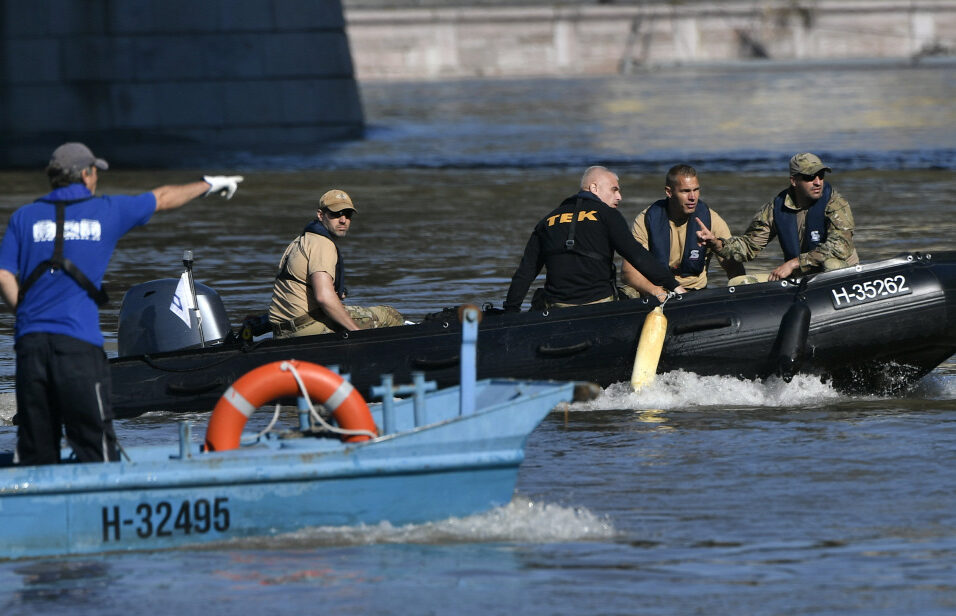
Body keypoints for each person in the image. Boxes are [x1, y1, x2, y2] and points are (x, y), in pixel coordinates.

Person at [0, 142, 243, 465]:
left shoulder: (24, 217)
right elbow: (163, 198)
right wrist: (209, 184)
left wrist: (25, 317)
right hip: (78, 347)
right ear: (85, 175)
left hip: (31, 345)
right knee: (93, 440)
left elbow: (3, 275)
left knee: (35, 442)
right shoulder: (106, 211)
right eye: (95, 171)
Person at [504, 166, 683, 312]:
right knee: (636, 290)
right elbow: (637, 256)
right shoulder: (607, 215)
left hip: (557, 307)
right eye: (614, 190)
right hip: (601, 305)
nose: (619, 196)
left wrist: (510, 312)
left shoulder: (546, 221)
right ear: (594, 188)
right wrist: (674, 286)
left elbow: (525, 272)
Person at [697, 153, 859, 281]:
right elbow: (748, 247)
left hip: (838, 271)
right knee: (744, 282)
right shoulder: (775, 209)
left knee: (831, 265)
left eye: (821, 176)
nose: (818, 182)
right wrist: (717, 244)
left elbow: (840, 246)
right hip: (803, 277)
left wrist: (794, 263)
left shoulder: (835, 203)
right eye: (810, 177)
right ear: (794, 181)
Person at [269, 189, 404, 338]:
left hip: (282, 331)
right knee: (390, 315)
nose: (343, 220)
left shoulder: (299, 241)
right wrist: (357, 334)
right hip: (307, 329)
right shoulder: (322, 244)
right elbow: (324, 297)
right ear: (321, 215)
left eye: (348, 214)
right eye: (335, 214)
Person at [622, 164, 745, 294]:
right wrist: (658, 293)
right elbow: (627, 272)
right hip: (658, 290)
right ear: (669, 192)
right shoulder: (646, 219)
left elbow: (734, 267)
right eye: (685, 191)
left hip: (695, 292)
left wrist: (717, 245)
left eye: (696, 190)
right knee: (627, 292)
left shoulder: (712, 220)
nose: (692, 197)